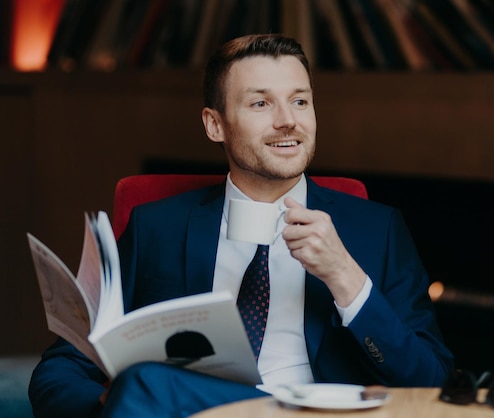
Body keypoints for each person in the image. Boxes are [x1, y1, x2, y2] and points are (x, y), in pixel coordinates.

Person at [29, 34, 454, 418]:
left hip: (316, 412)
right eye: (261, 103)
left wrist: (346, 278)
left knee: (145, 384)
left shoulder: (376, 229)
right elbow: (63, 366)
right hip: (190, 408)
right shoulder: (157, 227)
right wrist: (113, 404)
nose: (288, 120)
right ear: (215, 124)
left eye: (300, 100)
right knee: (143, 384)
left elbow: (430, 381)